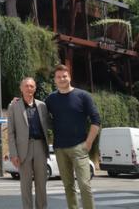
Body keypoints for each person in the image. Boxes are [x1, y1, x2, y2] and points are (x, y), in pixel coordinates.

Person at [44, 64, 101, 209]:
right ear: (55, 80)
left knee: (84, 184)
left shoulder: (83, 96)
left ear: (69, 77)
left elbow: (96, 121)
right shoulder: (51, 99)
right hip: (60, 148)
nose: (62, 79)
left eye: (64, 76)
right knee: (68, 186)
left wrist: (88, 143)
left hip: (79, 147)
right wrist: (19, 102)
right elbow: (38, 113)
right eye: (58, 77)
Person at [8, 77, 51, 209]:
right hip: (23, 150)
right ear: (21, 88)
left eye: (32, 86)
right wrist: (13, 154)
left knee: (41, 184)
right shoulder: (13, 106)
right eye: (26, 86)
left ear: (35, 88)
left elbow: (50, 124)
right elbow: (11, 133)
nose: (29, 88)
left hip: (40, 147)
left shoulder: (42, 106)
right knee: (25, 185)